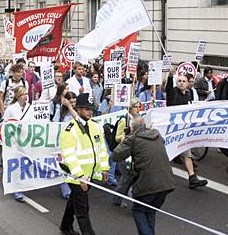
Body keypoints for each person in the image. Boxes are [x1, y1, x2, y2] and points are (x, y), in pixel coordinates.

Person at [113, 116, 175, 235]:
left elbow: (116, 155)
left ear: (132, 128)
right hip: (166, 182)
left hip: (147, 184)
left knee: (138, 211)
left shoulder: (134, 139)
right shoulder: (157, 135)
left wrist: (124, 140)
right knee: (150, 211)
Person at [59, 93, 109, 235]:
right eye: (86, 109)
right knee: (83, 210)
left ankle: (65, 226)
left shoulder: (96, 127)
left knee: (74, 201)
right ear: (78, 109)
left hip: (90, 175)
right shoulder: (70, 129)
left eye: (91, 109)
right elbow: (69, 155)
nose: (90, 112)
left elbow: (102, 150)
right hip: (76, 177)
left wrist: (105, 168)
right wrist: (80, 176)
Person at [165, 70, 207, 189]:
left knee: (187, 153)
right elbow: (168, 89)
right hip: (171, 130)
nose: (182, 83)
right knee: (165, 154)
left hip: (182, 130)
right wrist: (170, 76)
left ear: (188, 83)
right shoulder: (173, 92)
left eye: (184, 81)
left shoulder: (188, 94)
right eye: (179, 81)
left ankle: (192, 178)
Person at [2, 86, 33, 202]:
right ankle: (16, 189)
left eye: (26, 94)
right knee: (16, 163)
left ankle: (22, 184)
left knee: (25, 163)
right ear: (17, 96)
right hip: (14, 140)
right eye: (23, 94)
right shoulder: (11, 108)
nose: (25, 96)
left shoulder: (30, 108)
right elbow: (5, 122)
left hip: (26, 139)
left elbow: (33, 122)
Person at [112, 99, 142, 208]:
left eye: (140, 107)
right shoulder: (124, 120)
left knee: (129, 178)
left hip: (133, 152)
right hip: (124, 153)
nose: (138, 109)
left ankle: (119, 198)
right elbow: (117, 137)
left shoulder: (138, 119)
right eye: (136, 107)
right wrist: (123, 138)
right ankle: (118, 199)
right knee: (126, 179)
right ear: (130, 107)